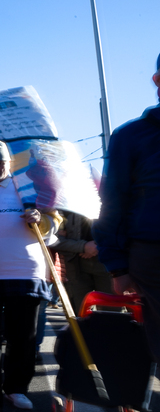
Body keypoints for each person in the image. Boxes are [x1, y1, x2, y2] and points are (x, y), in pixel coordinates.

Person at [0, 139, 59, 412]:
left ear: (9, 163)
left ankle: (17, 389)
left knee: (23, 336)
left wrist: (41, 219)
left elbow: (53, 223)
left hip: (24, 271)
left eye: (1, 163)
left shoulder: (27, 186)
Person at [94, 52, 160, 363]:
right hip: (153, 254)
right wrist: (118, 267)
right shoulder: (131, 137)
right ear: (157, 82)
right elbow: (112, 203)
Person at [51, 210, 112, 314]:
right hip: (75, 268)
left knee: (111, 314)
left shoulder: (111, 205)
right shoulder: (64, 208)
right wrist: (83, 246)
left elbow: (122, 232)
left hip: (108, 265)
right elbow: (52, 239)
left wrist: (98, 246)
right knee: (80, 314)